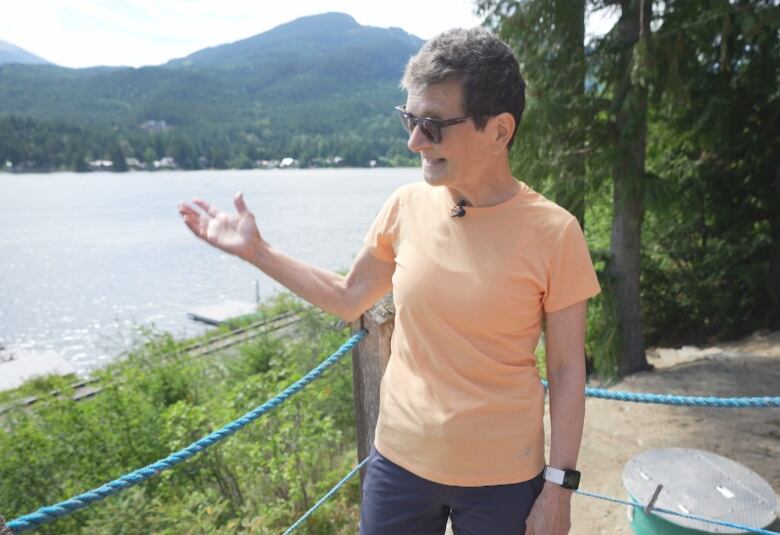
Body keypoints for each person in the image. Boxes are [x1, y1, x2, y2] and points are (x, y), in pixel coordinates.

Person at [178, 27, 600, 535]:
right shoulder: (404, 206)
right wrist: (256, 251)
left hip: (504, 477)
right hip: (400, 464)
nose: (414, 140)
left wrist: (559, 488)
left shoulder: (555, 233)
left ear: (500, 130)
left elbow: (568, 368)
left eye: (432, 124)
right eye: (409, 119)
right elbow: (347, 297)